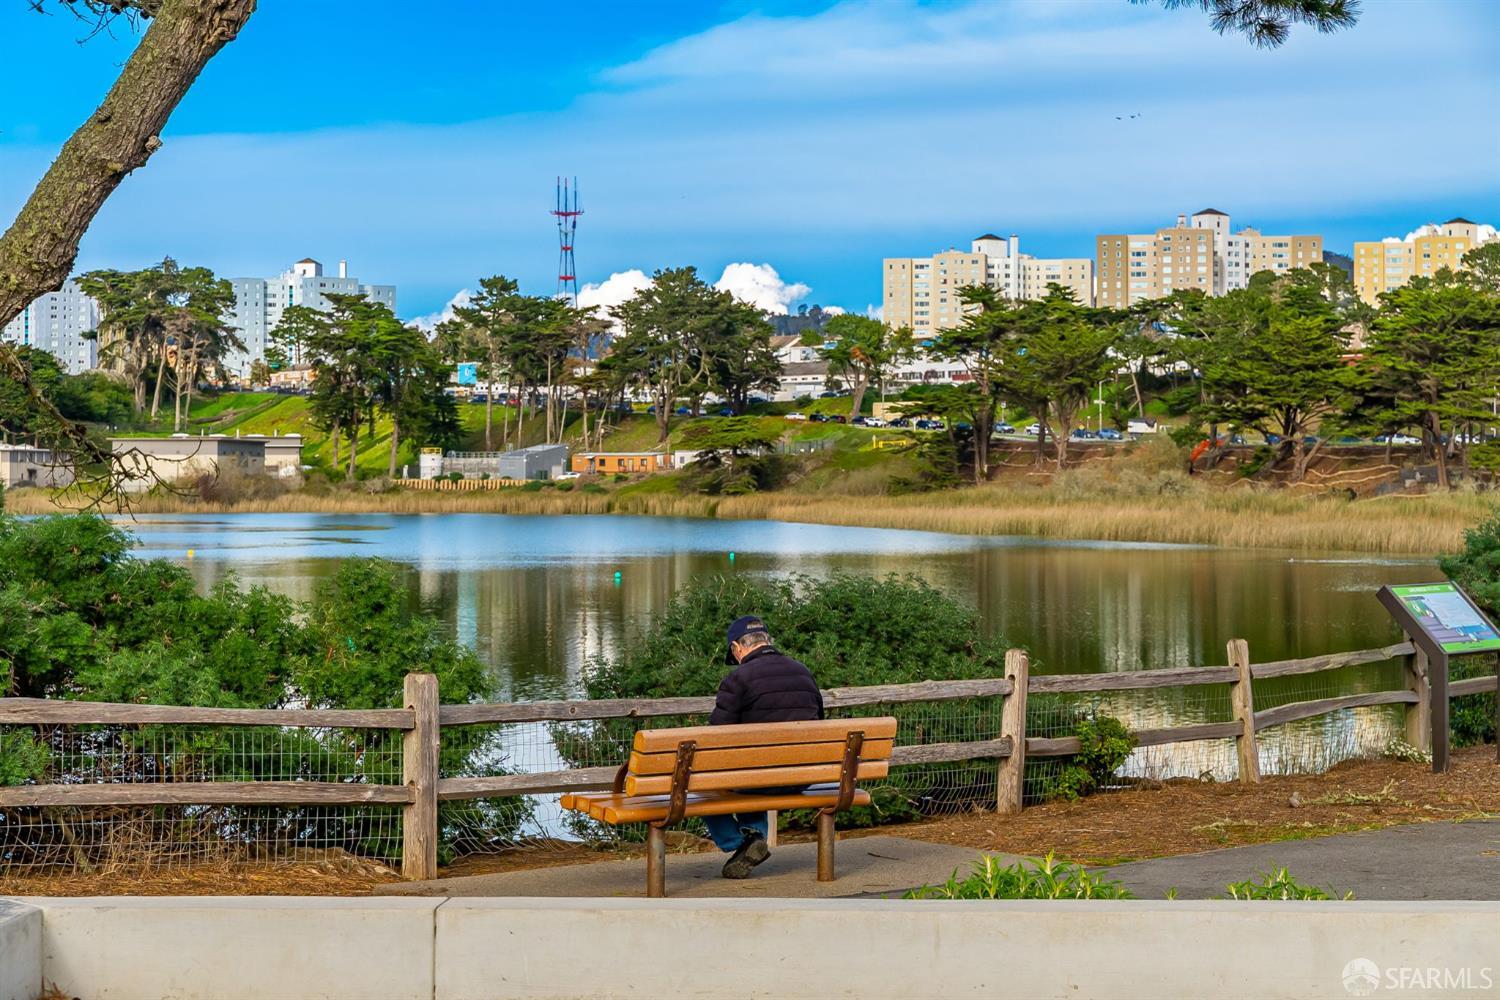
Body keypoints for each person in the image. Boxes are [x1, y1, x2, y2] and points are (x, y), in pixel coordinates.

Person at [704, 615, 824, 879]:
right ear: (767, 641)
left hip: (756, 779)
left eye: (733, 654)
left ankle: (739, 842)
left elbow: (716, 737)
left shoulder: (737, 680)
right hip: (803, 777)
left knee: (705, 786)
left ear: (737, 648)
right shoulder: (803, 672)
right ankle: (752, 837)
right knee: (753, 769)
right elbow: (820, 722)